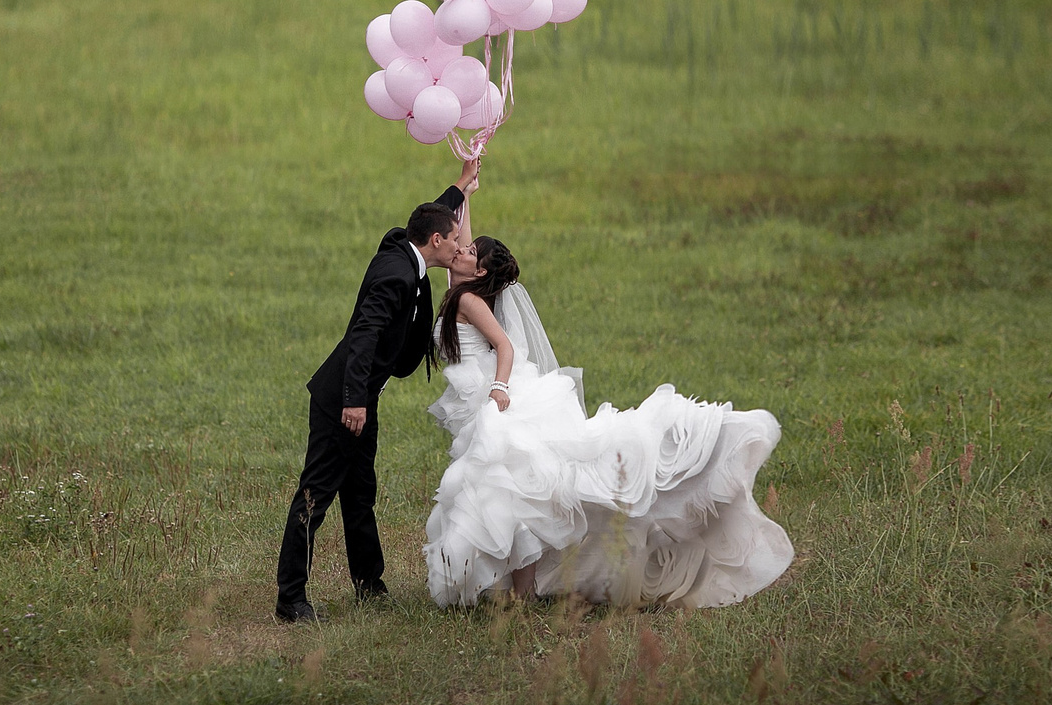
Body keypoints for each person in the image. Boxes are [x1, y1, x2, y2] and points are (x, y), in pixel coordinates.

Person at [421, 233, 794, 610]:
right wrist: (465, 191)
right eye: (460, 246)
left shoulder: (467, 297)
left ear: (480, 269)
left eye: (467, 251)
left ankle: (524, 592)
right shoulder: (462, 286)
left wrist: (500, 388)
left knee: (515, 489)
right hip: (478, 396)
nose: (458, 249)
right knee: (514, 489)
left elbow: (506, 345)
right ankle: (523, 589)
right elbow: (462, 244)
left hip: (496, 395)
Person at [275, 156, 478, 624]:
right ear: (436, 241)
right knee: (316, 494)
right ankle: (290, 599)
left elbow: (431, 215)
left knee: (360, 492)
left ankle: (369, 584)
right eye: (454, 239)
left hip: (363, 398)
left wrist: (461, 187)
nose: (458, 246)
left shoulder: (403, 246)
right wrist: (354, 402)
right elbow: (364, 338)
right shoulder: (396, 275)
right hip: (343, 400)